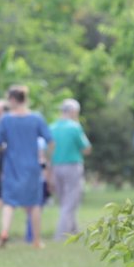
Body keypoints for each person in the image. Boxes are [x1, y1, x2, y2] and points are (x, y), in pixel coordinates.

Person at [0, 85, 54, 248]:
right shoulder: (36, 118)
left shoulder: (6, 119)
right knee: (34, 203)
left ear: (14, 100)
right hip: (32, 166)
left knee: (9, 202)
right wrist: (46, 158)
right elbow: (50, 141)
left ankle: (4, 232)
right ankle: (36, 240)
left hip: (12, 165)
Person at [48, 99, 92, 240]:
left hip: (55, 167)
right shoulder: (75, 127)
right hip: (72, 166)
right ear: (73, 112)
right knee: (70, 202)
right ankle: (61, 236)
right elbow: (87, 149)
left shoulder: (51, 127)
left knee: (64, 202)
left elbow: (46, 151)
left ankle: (74, 232)